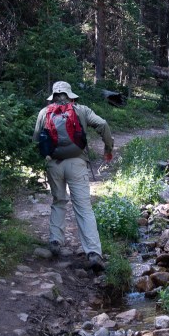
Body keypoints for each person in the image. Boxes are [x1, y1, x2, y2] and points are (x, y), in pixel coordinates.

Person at [33, 81, 114, 272]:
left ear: (53, 96)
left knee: (59, 201)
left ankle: (54, 242)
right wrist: (108, 148)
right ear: (71, 96)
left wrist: (46, 156)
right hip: (77, 163)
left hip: (54, 163)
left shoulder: (44, 112)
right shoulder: (81, 110)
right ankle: (93, 253)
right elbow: (102, 124)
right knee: (84, 207)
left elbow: (36, 139)